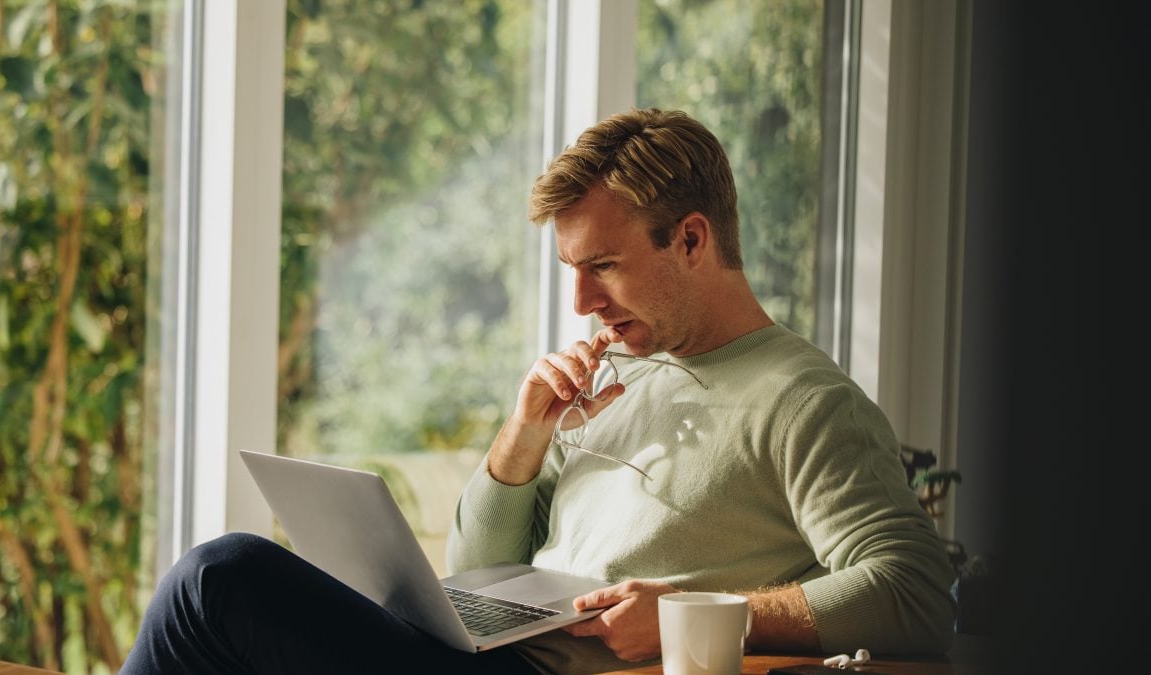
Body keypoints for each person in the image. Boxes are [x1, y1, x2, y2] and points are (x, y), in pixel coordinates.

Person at [120, 108, 956, 675]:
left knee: (218, 579)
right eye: (572, 270)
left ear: (692, 239)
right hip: (483, 656)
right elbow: (476, 571)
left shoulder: (805, 400)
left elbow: (914, 593)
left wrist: (691, 609)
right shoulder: (617, 372)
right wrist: (523, 437)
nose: (582, 304)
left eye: (604, 266)